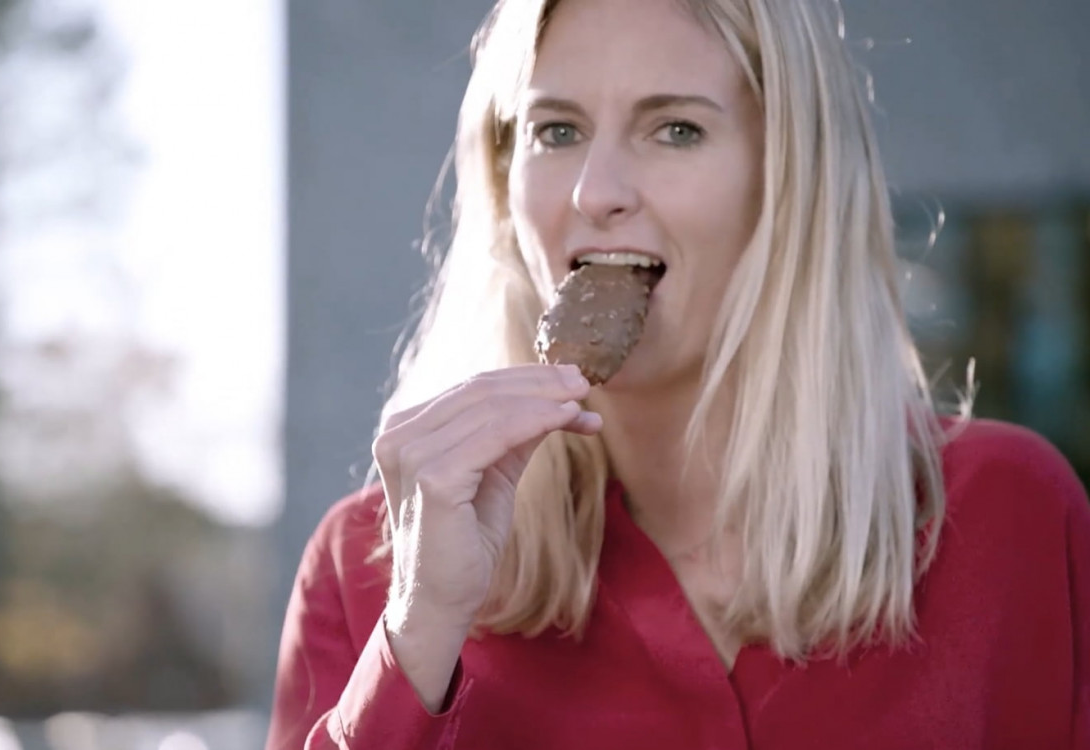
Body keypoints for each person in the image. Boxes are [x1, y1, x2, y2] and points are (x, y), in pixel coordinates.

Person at [267, 0, 1090, 747]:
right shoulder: (370, 569)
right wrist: (416, 640)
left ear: (787, 180)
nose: (597, 191)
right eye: (556, 131)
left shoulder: (1008, 518)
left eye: (676, 130)